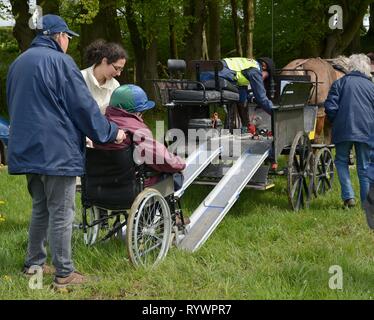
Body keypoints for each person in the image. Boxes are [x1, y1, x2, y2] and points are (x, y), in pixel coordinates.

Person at [6, 14, 126, 289]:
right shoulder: (61, 62)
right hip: (56, 150)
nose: (68, 43)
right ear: (59, 37)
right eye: (67, 38)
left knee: (41, 208)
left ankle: (33, 266)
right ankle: (64, 274)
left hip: (27, 149)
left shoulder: (18, 63)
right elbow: (82, 107)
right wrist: (110, 132)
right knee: (62, 211)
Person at [94, 84, 186, 184]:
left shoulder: (100, 125)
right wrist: (180, 162)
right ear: (137, 112)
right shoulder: (135, 129)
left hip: (100, 184)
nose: (142, 118)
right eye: (142, 112)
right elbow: (161, 158)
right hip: (133, 184)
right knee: (177, 177)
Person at [325, 54, 374, 209]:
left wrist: (337, 122)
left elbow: (330, 107)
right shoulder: (371, 86)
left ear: (350, 67)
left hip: (343, 130)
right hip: (367, 131)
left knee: (340, 161)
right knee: (364, 166)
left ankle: (348, 197)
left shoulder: (339, 83)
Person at [201, 57, 275, 132]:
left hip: (207, 74)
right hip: (213, 76)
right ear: (264, 66)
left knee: (240, 97)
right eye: (266, 76)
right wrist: (275, 113)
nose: (264, 79)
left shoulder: (246, 67)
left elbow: (242, 97)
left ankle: (245, 127)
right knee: (232, 97)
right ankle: (230, 128)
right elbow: (261, 98)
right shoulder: (255, 70)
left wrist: (251, 98)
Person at [81, 39, 127, 114]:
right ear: (104, 61)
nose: (119, 74)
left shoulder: (115, 86)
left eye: (121, 69)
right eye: (117, 68)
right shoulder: (79, 78)